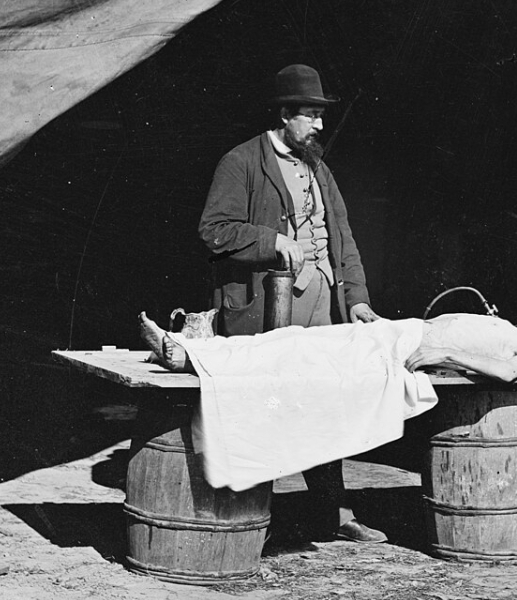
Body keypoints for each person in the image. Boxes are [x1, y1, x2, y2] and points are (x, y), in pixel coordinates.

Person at [197, 64, 382, 543]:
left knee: (324, 407)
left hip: (323, 306)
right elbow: (214, 230)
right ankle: (248, 517)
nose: (319, 125)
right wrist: (271, 239)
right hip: (266, 309)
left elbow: (343, 239)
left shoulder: (319, 167)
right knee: (266, 406)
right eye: (311, 115)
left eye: (321, 115)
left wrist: (357, 299)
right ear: (283, 115)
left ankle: (334, 514)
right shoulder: (241, 162)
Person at [140, 310, 517, 383]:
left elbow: (504, 374)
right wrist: (381, 319)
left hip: (404, 348)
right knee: (296, 339)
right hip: (398, 332)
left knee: (300, 351)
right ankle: (196, 348)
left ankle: (189, 357)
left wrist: (446, 356)